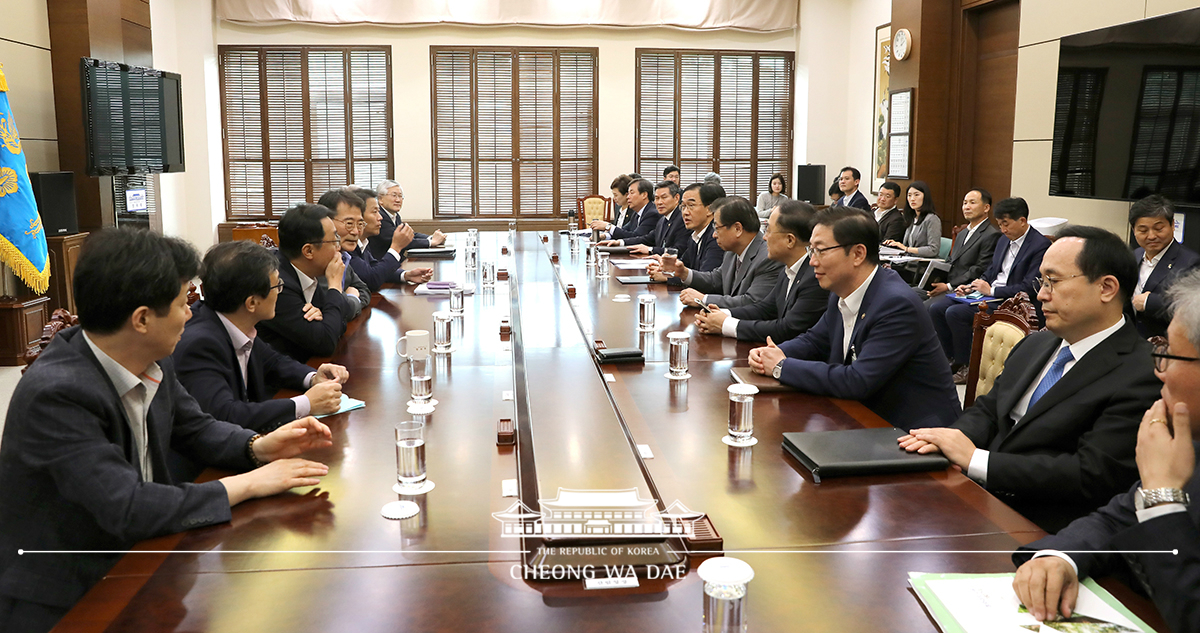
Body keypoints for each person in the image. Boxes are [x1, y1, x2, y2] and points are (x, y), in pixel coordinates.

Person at [0, 228, 333, 633]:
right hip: (70, 593)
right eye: (181, 304)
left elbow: (195, 428)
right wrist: (251, 483)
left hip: (141, 557)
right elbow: (127, 506)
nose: (192, 314)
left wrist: (258, 447)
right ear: (142, 319)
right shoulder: (59, 394)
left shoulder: (152, 358)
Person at [900, 226, 1160, 532]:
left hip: (1046, 526)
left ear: (1106, 288)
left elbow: (1091, 474)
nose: (1041, 294)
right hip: (974, 496)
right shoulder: (1036, 343)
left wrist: (976, 460)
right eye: (1041, 280)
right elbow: (989, 410)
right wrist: (948, 443)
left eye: (1053, 281)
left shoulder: (1143, 372)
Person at [1010, 269, 1200, 632]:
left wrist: (1163, 498)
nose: (1160, 371)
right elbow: (1116, 518)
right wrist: (1060, 556)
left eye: (1172, 356)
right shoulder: (1189, 438)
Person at [747, 205, 961, 430]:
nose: (812, 261)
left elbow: (858, 381)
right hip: (864, 418)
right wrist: (776, 353)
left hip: (915, 432)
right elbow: (815, 340)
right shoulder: (841, 290)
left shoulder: (896, 304)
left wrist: (782, 366)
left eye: (821, 250)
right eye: (811, 250)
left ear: (858, 253)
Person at [174, 240, 349, 432]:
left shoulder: (236, 322)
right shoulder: (200, 343)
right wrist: (306, 403)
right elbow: (224, 414)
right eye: (277, 287)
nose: (279, 293)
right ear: (251, 303)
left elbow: (274, 362)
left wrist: (313, 377)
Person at [928, 197, 1051, 379]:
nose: (1003, 229)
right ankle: (949, 358)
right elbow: (992, 271)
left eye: (1006, 224)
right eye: (1000, 224)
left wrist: (991, 291)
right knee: (936, 308)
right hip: (989, 295)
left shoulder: (1040, 246)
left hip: (1012, 301)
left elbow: (1029, 287)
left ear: (1022, 221)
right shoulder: (1003, 240)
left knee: (955, 313)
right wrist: (971, 287)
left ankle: (968, 366)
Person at [695, 199, 830, 342]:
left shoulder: (814, 276)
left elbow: (787, 329)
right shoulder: (789, 269)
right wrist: (721, 313)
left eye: (769, 231)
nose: (764, 237)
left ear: (790, 240)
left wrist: (725, 324)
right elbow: (765, 308)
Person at [257, 203, 350, 363]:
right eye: (334, 239)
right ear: (308, 251)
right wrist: (335, 287)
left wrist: (326, 318)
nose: (338, 247)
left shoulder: (307, 272)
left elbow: (340, 323)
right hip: (278, 381)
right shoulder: (277, 285)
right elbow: (326, 343)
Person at [656, 196, 783, 310]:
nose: (714, 235)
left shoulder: (768, 257)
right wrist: (684, 273)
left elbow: (752, 302)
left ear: (737, 229)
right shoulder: (732, 251)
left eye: (717, 228)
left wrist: (703, 299)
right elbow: (715, 280)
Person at [328, 187, 433, 293]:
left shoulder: (362, 242)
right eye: (375, 212)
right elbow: (372, 279)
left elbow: (373, 269)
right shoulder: (344, 247)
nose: (380, 217)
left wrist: (405, 275)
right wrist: (396, 247)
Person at [1128, 194, 1200, 338]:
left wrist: (1149, 302)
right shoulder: (1134, 255)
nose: (1151, 236)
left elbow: (1192, 308)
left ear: (1172, 225)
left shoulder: (1191, 262)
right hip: (1131, 342)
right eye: (1143, 230)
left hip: (1167, 344)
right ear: (1134, 230)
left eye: (1159, 228)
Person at [925, 188, 1001, 300]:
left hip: (966, 289)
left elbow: (979, 269)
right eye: (965, 203)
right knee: (912, 295)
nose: (967, 207)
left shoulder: (992, 234)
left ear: (986, 208)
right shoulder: (962, 233)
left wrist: (948, 286)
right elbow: (951, 260)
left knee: (928, 307)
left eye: (972, 203)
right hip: (948, 284)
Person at [316, 190, 372, 318]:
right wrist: (352, 298)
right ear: (326, 222)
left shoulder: (342, 256)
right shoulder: (318, 259)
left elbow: (364, 290)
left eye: (360, 224)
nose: (356, 231)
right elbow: (333, 309)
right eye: (349, 224)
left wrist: (347, 302)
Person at [600, 180, 688, 256]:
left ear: (676, 198)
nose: (659, 202)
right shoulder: (663, 220)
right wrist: (619, 242)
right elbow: (647, 239)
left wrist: (650, 250)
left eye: (664, 197)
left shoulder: (682, 219)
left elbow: (678, 251)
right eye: (657, 198)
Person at [368, 179, 445, 260]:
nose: (398, 200)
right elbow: (402, 240)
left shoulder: (395, 215)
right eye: (394, 195)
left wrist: (430, 237)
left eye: (400, 196)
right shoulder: (380, 217)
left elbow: (410, 234)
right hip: (382, 265)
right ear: (380, 199)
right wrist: (431, 242)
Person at [883, 180, 941, 257]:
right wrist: (896, 245)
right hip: (908, 262)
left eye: (916, 195)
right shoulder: (911, 218)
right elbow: (906, 246)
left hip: (922, 265)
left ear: (925, 197)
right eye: (909, 195)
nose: (912, 199)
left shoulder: (932, 219)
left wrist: (906, 249)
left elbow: (933, 250)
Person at [591, 178, 658, 240]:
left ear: (644, 195)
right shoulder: (637, 213)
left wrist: (608, 226)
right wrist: (605, 236)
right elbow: (624, 231)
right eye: (628, 194)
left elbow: (636, 237)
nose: (628, 197)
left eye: (631, 193)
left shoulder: (652, 213)